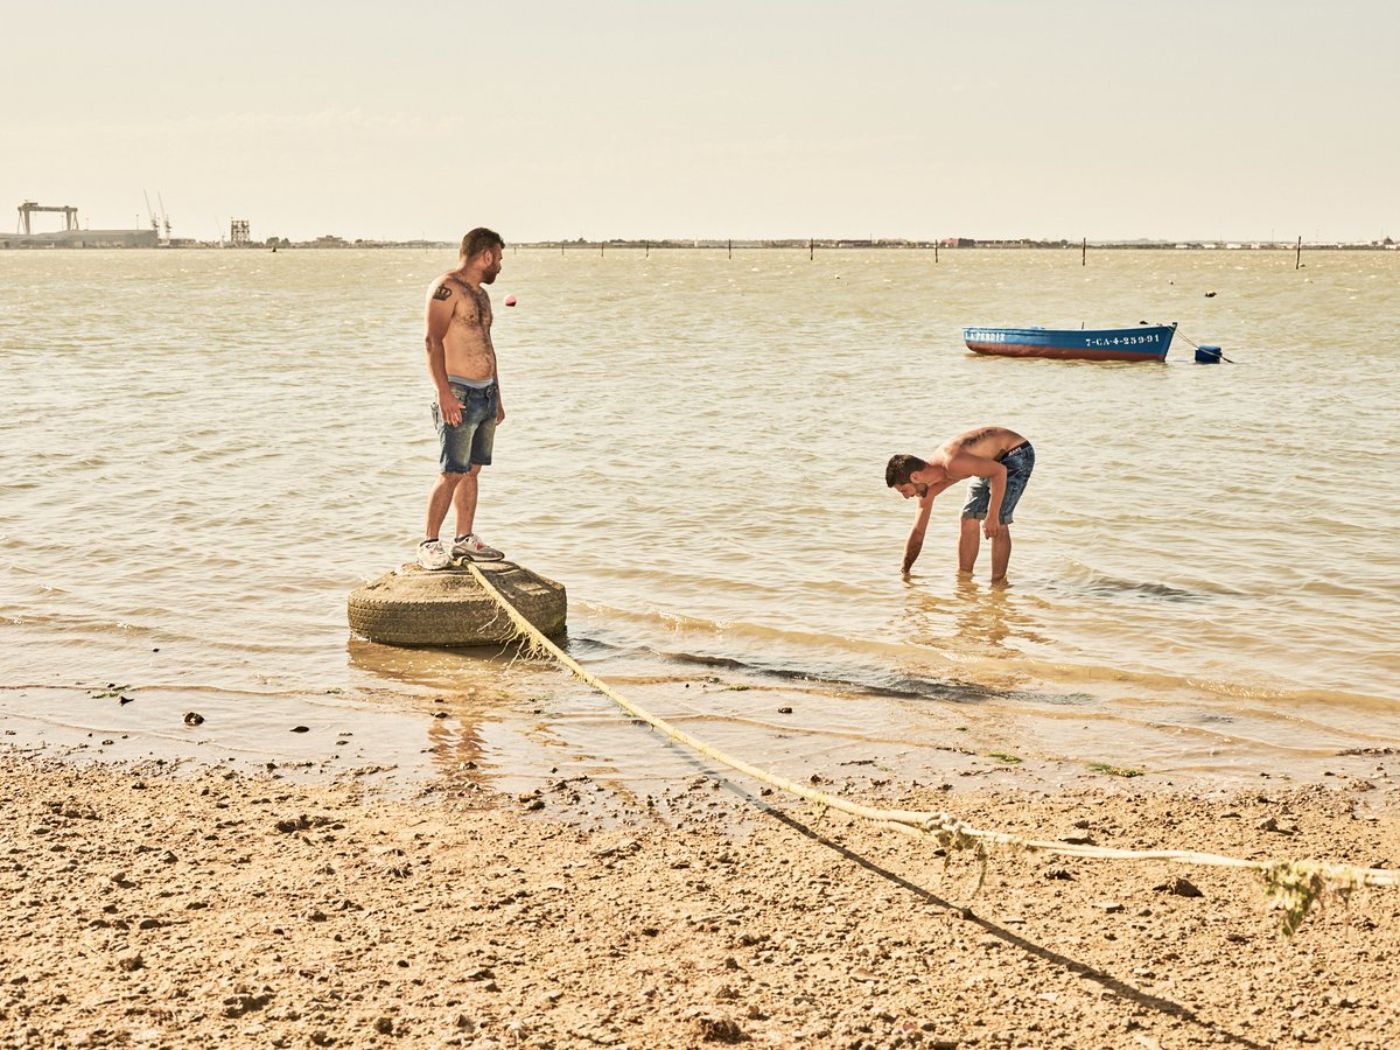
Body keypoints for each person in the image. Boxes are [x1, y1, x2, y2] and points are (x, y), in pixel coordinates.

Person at [417, 228, 508, 569]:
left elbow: (487, 345)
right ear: (485, 255)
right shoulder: (447, 288)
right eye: (498, 258)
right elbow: (432, 341)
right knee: (451, 471)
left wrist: (497, 394)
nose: (499, 264)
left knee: (472, 471)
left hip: (485, 392)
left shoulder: (481, 296)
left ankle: (464, 539)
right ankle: (428, 542)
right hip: (457, 391)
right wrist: (444, 393)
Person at [885, 426, 1035, 581]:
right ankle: (964, 581)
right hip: (990, 460)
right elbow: (918, 532)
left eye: (904, 490)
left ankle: (997, 586)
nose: (906, 497)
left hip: (1016, 452)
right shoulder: (929, 489)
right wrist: (905, 571)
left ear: (915, 477)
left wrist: (992, 515)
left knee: (999, 521)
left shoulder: (952, 462)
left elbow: (999, 472)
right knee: (968, 517)